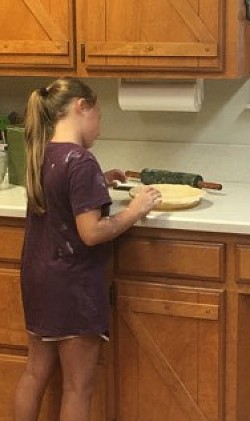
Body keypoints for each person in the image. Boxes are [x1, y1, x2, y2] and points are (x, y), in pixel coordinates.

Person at [14, 76, 162, 421]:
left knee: (35, 373)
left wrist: (100, 181)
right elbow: (92, 232)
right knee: (78, 387)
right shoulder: (80, 161)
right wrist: (135, 210)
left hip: (38, 280)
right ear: (82, 107)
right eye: (98, 118)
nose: (98, 128)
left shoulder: (42, 151)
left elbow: (63, 196)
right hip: (72, 287)